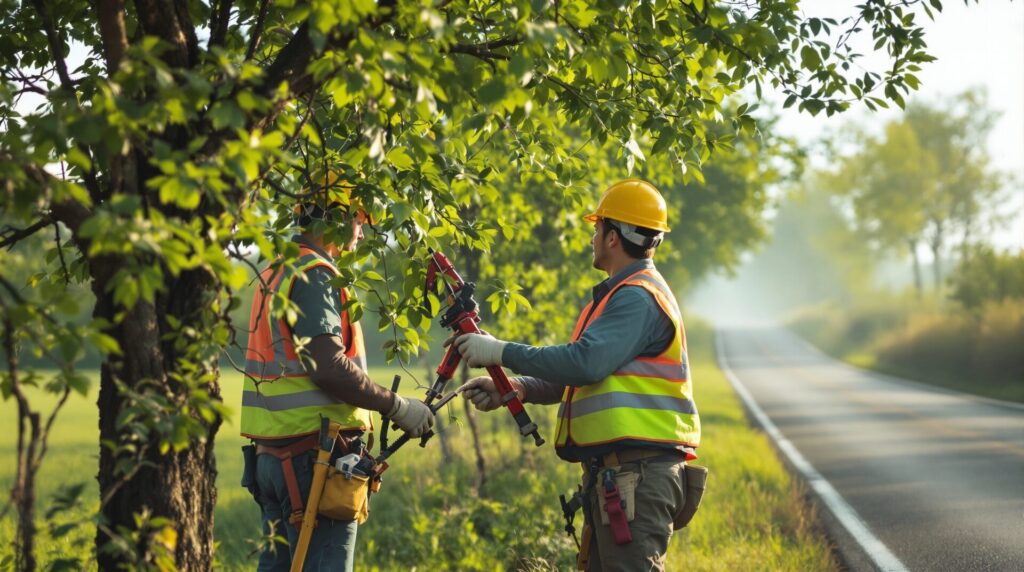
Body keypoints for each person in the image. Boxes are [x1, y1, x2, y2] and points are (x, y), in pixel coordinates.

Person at [453, 179, 701, 571]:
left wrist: (499, 351)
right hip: (622, 476)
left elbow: (584, 363)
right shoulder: (625, 294)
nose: (592, 237)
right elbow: (584, 376)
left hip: (636, 476)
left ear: (614, 237)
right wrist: (517, 387)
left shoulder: (636, 297)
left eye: (597, 228)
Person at [240, 174, 434, 571]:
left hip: (271, 459)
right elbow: (328, 367)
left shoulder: (277, 270)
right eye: (360, 219)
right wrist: (395, 406)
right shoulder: (315, 273)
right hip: (313, 460)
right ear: (337, 218)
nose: (361, 233)